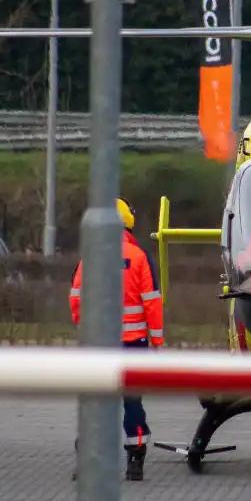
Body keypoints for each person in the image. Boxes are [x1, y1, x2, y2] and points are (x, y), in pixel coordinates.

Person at [68, 198, 163, 481]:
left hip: (98, 343)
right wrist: (156, 342)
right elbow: (152, 303)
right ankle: (135, 461)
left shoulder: (92, 255)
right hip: (133, 343)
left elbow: (76, 297)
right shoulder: (139, 257)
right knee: (132, 402)